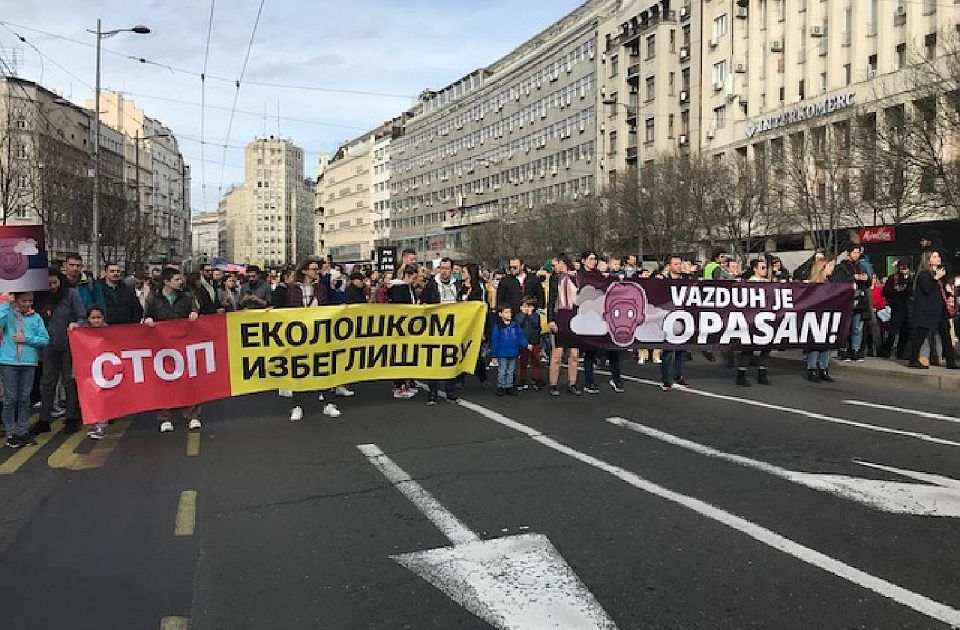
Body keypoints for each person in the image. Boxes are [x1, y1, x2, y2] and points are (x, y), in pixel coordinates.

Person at [144, 268, 204, 432]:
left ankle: (192, 415)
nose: (180, 282)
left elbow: (196, 310)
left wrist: (194, 313)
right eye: (177, 279)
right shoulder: (154, 298)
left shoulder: (187, 296)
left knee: (188, 378)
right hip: (161, 346)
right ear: (167, 281)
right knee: (164, 380)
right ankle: (165, 417)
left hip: (183, 344)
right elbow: (147, 314)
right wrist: (148, 319)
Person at [32, 268, 86, 434]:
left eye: (55, 283)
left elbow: (82, 316)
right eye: (48, 284)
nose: (52, 287)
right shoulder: (41, 298)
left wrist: (77, 324)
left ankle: (71, 417)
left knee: (69, 381)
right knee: (47, 382)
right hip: (48, 345)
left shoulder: (71, 294)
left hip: (69, 344)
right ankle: (44, 419)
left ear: (60, 280)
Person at [0, 292, 49, 448]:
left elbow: (45, 339)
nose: (28, 304)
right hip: (9, 361)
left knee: (24, 398)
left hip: (28, 362)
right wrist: (6, 304)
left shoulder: (36, 318)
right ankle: (10, 432)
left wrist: (26, 339)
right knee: (10, 398)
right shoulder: (8, 314)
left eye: (30, 301)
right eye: (24, 301)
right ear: (17, 301)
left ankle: (23, 430)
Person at [578, 250, 624, 394]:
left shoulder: (599, 275)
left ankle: (617, 379)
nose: (594, 262)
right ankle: (589, 381)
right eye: (591, 259)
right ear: (583, 260)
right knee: (591, 351)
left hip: (604, 315)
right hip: (589, 316)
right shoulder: (579, 276)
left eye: (595, 259)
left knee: (612, 348)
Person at [907, 249, 958, 369]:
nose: (938, 258)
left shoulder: (940, 274)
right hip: (927, 310)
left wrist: (947, 289)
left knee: (945, 334)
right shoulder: (924, 274)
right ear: (928, 260)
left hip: (939, 310)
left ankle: (951, 361)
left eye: (938, 256)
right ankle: (913, 360)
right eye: (934, 256)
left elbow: (939, 291)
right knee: (921, 335)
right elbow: (927, 289)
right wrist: (936, 278)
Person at [422, 257, 460, 404]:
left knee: (450, 360)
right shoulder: (431, 286)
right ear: (439, 269)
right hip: (435, 329)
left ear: (451, 270)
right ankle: (433, 393)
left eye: (447, 269)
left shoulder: (457, 285)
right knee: (434, 361)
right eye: (442, 268)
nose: (444, 271)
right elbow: (423, 305)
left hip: (453, 329)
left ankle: (450, 392)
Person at [736, 258, 773, 387]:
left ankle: (762, 374)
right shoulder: (749, 283)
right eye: (762, 268)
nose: (765, 270)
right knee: (748, 348)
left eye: (766, 268)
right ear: (755, 269)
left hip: (765, 319)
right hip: (752, 319)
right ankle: (741, 375)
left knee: (766, 348)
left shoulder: (769, 283)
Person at [832, 245, 871, 361]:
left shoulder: (860, 266)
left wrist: (866, 279)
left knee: (857, 327)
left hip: (859, 300)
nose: (857, 255)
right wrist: (853, 278)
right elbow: (836, 281)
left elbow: (868, 282)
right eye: (854, 252)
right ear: (849, 253)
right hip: (847, 300)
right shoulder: (842, 267)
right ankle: (843, 350)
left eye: (858, 253)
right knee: (845, 327)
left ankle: (855, 350)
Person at [386, 264, 420, 399]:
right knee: (400, 357)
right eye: (414, 278)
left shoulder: (408, 288)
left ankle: (404, 385)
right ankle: (398, 386)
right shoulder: (399, 288)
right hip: (401, 327)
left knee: (406, 356)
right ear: (407, 276)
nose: (415, 281)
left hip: (407, 327)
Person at [83, 305, 113, 440]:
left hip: (103, 371)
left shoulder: (109, 331)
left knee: (103, 398)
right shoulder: (82, 332)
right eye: (93, 318)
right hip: (88, 370)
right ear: (88, 319)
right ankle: (92, 424)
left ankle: (102, 425)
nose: (96, 321)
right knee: (90, 398)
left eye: (98, 318)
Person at [804, 260, 836, 382]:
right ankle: (812, 368)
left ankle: (823, 368)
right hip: (815, 316)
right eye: (829, 266)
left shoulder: (830, 282)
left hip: (827, 315)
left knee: (826, 343)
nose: (831, 268)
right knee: (815, 343)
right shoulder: (812, 284)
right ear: (822, 268)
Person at [458, 263, 488, 386]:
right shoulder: (459, 287)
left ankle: (482, 377)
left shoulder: (479, 288)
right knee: (459, 352)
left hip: (474, 325)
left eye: (464, 272)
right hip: (461, 324)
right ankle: (459, 379)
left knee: (475, 351)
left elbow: (483, 306)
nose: (462, 274)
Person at [489, 304, 529, 396]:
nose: (509, 314)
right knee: (502, 370)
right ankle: (501, 386)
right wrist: (494, 354)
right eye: (506, 312)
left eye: (509, 312)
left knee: (511, 370)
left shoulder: (515, 325)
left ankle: (509, 386)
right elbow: (494, 340)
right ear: (500, 314)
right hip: (502, 352)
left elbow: (520, 336)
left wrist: (525, 344)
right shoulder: (498, 326)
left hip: (513, 351)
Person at [878, 260, 913, 359]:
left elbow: (912, 291)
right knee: (893, 330)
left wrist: (906, 289)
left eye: (906, 268)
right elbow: (885, 292)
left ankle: (901, 352)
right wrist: (895, 289)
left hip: (908, 307)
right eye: (902, 268)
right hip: (897, 307)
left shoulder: (912, 278)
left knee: (905, 332)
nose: (904, 271)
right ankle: (886, 350)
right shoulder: (893, 278)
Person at [99, 261, 144, 325]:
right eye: (112, 271)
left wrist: (133, 324)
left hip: (125, 328)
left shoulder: (128, 290)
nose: (115, 273)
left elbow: (138, 310)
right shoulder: (98, 289)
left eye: (117, 271)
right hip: (105, 328)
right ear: (105, 272)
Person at [515, 298, 543, 391]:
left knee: (536, 361)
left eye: (529, 306)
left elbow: (537, 325)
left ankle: (537, 378)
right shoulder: (519, 316)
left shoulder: (536, 316)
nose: (527, 308)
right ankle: (523, 379)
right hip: (523, 342)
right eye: (524, 306)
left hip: (534, 341)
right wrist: (523, 314)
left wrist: (530, 315)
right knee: (523, 361)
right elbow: (519, 324)